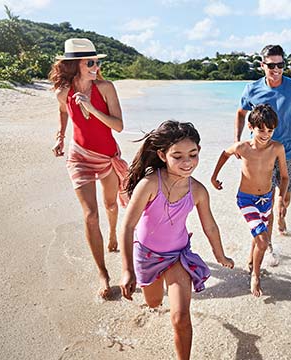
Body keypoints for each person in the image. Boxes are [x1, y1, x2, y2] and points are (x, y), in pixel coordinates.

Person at [119, 120, 234, 360]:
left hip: (177, 256)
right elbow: (128, 226)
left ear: (199, 151)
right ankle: (154, 290)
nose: (187, 162)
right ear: (162, 155)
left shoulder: (198, 190)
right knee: (153, 303)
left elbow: (210, 226)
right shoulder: (150, 184)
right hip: (146, 255)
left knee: (180, 317)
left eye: (193, 154)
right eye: (178, 156)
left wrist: (220, 255)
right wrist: (127, 270)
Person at [48, 38, 129, 299]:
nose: (96, 66)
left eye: (97, 61)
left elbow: (118, 126)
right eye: (90, 62)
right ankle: (103, 274)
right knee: (91, 215)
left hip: (106, 157)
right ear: (75, 65)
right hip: (79, 157)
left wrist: (91, 108)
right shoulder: (63, 92)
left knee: (111, 205)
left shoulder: (105, 88)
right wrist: (61, 136)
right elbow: (64, 111)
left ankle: (113, 233)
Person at [235, 44, 291, 261]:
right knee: (265, 200)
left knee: (285, 196)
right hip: (261, 156)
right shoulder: (252, 89)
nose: (276, 69)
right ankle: (267, 247)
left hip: (288, 153)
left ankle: (282, 215)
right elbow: (241, 114)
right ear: (263, 66)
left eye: (280, 64)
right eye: (271, 65)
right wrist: (237, 141)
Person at [212, 105, 288, 297]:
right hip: (246, 199)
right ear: (250, 127)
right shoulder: (242, 147)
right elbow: (225, 154)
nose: (266, 134)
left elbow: (284, 177)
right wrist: (214, 177)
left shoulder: (277, 148)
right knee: (262, 241)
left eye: (270, 130)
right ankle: (255, 275)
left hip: (267, 199)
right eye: (261, 129)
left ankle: (250, 262)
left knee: (260, 235)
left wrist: (281, 196)